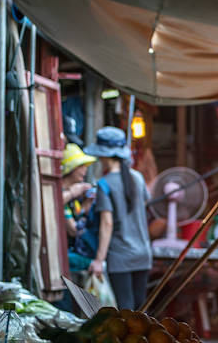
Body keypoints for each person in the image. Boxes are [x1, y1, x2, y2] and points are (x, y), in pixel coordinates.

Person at [84, 126, 153, 310]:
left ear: (104, 155)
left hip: (120, 256)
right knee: (141, 309)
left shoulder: (104, 184)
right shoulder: (138, 178)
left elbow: (107, 223)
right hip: (143, 253)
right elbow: (145, 205)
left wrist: (99, 260)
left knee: (126, 309)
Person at [60, 144, 98, 274]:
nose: (85, 170)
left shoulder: (75, 197)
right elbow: (73, 230)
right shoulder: (65, 194)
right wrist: (73, 193)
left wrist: (85, 207)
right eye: (81, 166)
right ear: (71, 168)